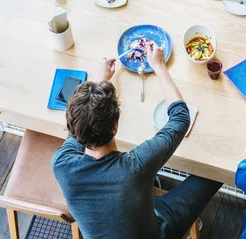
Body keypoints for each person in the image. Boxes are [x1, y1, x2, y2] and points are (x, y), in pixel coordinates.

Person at [51, 42, 222, 239]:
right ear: (115, 126)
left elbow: (79, 125)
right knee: (213, 173)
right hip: (155, 232)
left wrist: (99, 85)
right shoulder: (134, 168)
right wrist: (159, 66)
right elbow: (180, 118)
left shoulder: (61, 164)